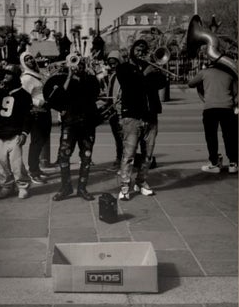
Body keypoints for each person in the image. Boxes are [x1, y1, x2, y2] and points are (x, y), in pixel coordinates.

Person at [113, 40, 169, 201]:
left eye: (144, 50)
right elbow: (130, 86)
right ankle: (125, 186)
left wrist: (159, 70)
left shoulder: (150, 68)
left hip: (150, 116)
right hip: (132, 116)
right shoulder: (123, 68)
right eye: (138, 49)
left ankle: (141, 181)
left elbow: (161, 84)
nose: (141, 53)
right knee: (129, 154)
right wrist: (145, 74)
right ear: (132, 51)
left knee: (148, 154)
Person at [43, 51, 101, 200]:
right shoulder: (64, 79)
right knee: (64, 156)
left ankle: (82, 188)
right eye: (75, 63)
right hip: (69, 123)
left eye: (81, 63)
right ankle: (66, 187)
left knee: (86, 157)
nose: (78, 66)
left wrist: (85, 75)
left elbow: (94, 94)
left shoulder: (91, 79)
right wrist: (69, 77)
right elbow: (57, 98)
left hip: (87, 124)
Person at [188, 49, 239, 174]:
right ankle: (233, 163)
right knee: (230, 136)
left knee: (211, 136)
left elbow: (191, 84)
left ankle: (214, 163)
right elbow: (236, 93)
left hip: (210, 108)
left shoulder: (205, 72)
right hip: (227, 108)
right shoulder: (229, 74)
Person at [0, 64, 33, 198]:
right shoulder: (2, 91)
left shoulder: (24, 95)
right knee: (1, 161)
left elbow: (28, 116)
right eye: (5, 74)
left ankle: (22, 185)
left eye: (8, 74)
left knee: (16, 163)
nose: (5, 76)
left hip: (15, 132)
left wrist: (24, 133)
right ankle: (7, 185)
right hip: (0, 132)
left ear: (16, 76)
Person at [18, 52, 53, 185]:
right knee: (36, 143)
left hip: (45, 111)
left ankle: (36, 168)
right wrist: (39, 102)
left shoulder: (36, 74)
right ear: (23, 63)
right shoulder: (26, 78)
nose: (30, 61)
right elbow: (23, 97)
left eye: (31, 58)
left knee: (41, 141)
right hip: (36, 112)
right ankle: (33, 171)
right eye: (26, 60)